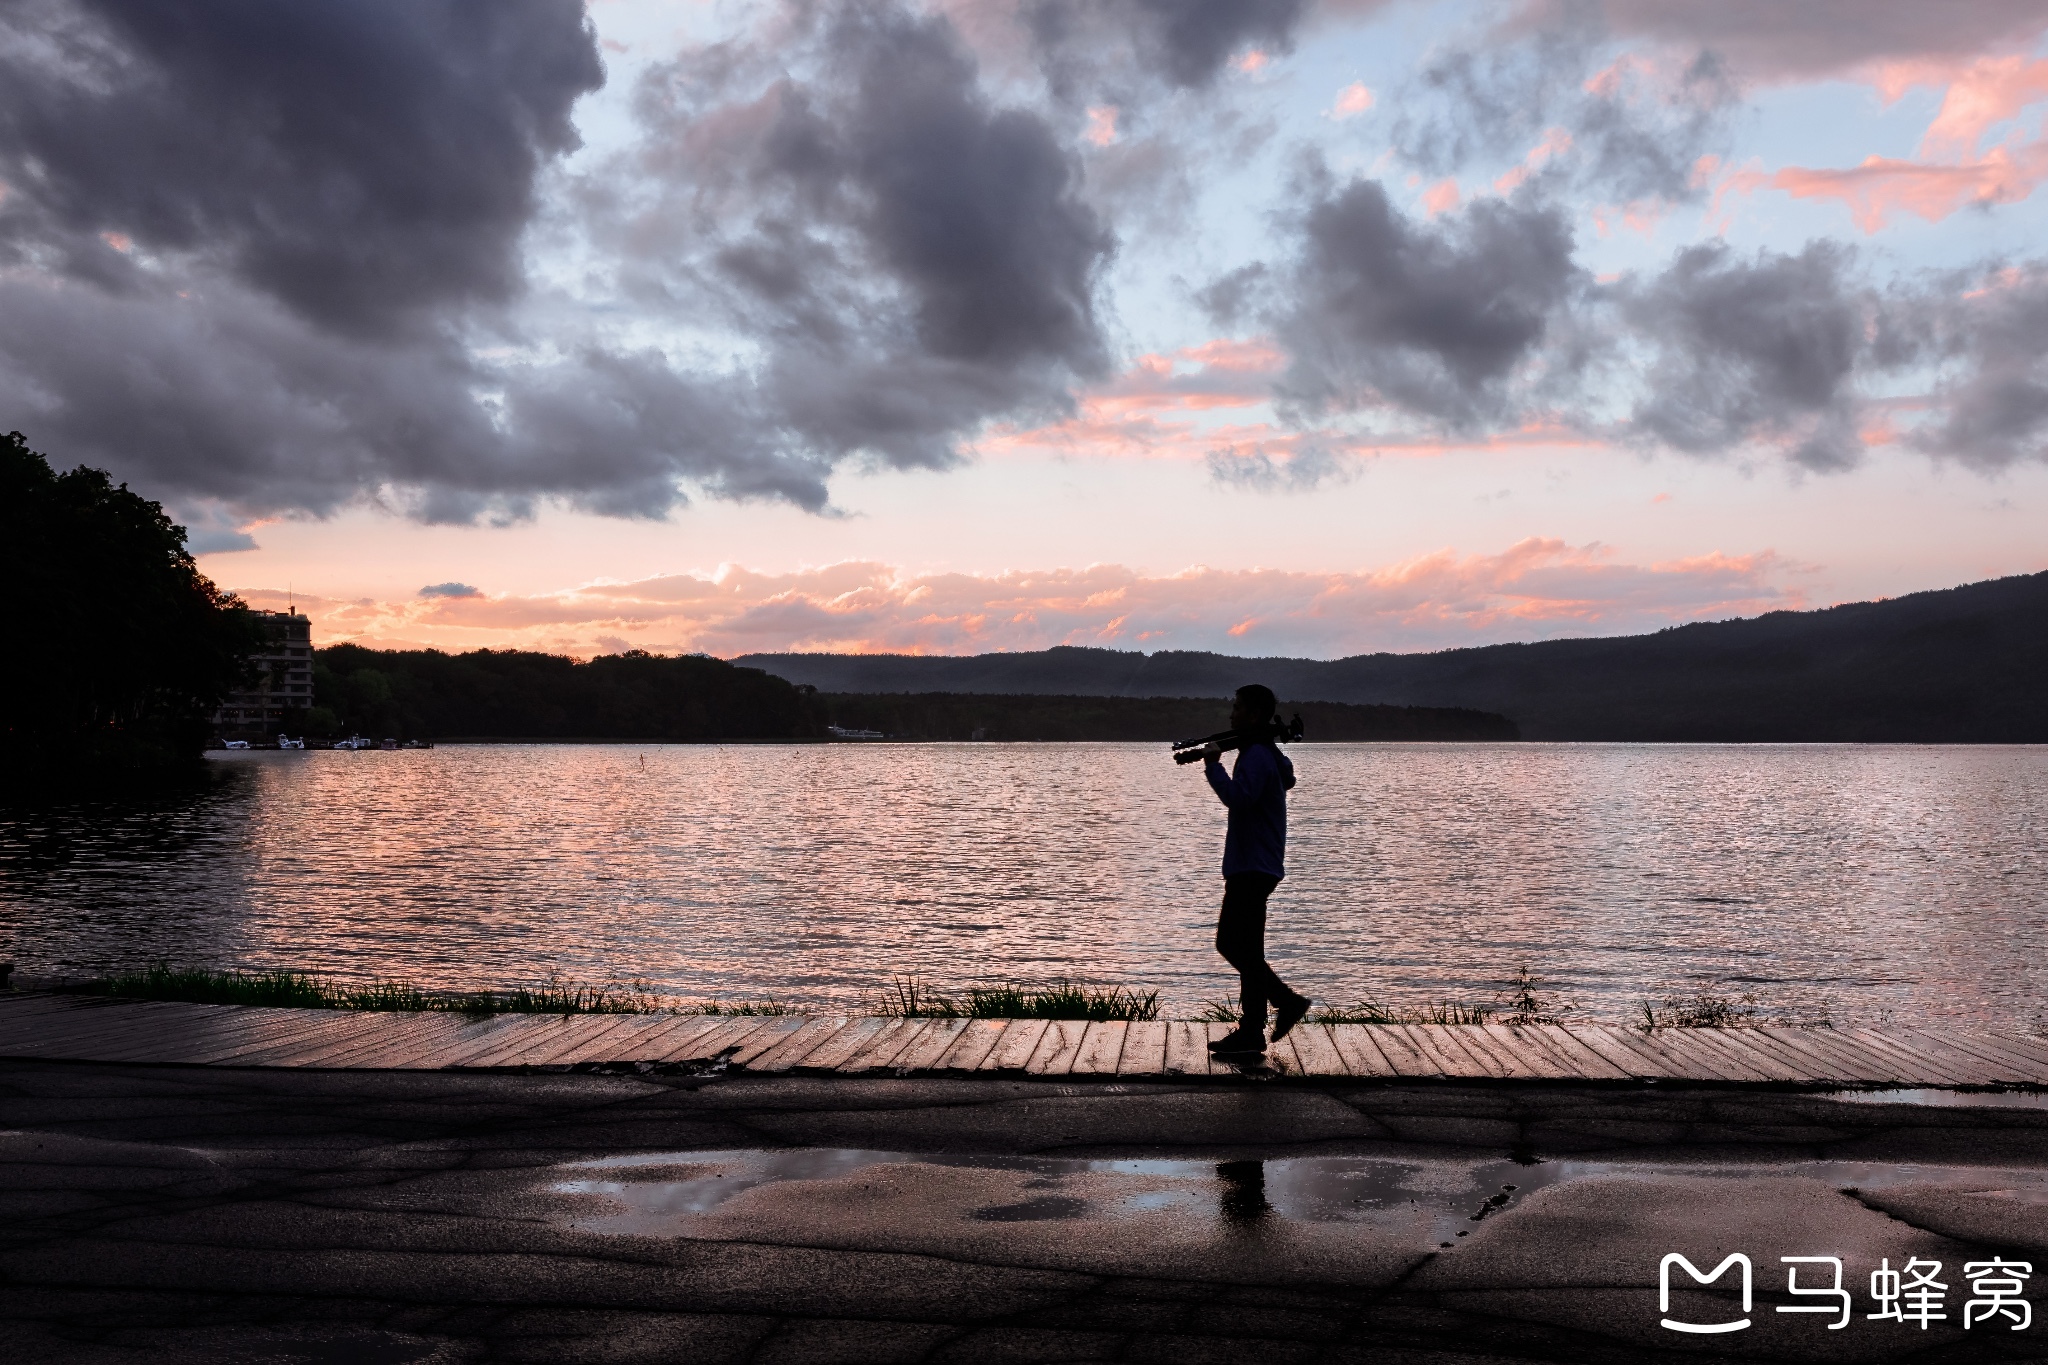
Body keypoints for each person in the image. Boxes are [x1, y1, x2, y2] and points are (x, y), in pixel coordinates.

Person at [1199, 684, 1311, 1055]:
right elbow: (1282, 779)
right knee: (1248, 949)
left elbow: (1239, 798)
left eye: (1236, 708)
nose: (1231, 714)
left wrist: (1213, 766)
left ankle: (1286, 1001)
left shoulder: (1257, 755)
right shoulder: (1264, 753)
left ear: (1252, 715)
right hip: (1258, 862)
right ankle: (1251, 1032)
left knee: (1230, 943)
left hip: (1252, 864)